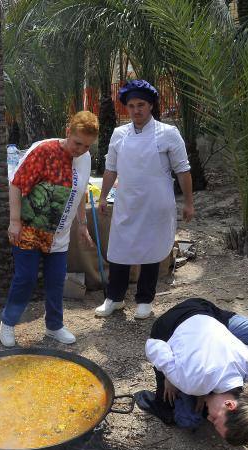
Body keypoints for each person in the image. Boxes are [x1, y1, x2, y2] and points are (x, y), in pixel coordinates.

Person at [95, 79, 194, 320]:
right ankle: (114, 298)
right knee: (120, 249)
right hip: (127, 202)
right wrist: (103, 197)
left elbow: (183, 170)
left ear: (150, 105)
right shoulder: (119, 134)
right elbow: (110, 168)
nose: (136, 110)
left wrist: (189, 203)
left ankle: (145, 299)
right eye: (131, 106)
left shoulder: (168, 134)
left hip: (156, 203)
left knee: (151, 249)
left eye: (141, 105)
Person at [0, 111, 99, 347]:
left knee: (56, 280)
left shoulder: (85, 158)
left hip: (59, 234)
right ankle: (8, 323)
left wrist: (82, 225)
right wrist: (14, 221)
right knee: (26, 278)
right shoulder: (44, 150)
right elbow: (16, 184)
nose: (81, 150)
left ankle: (54, 326)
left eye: (87, 146)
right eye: (77, 143)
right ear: (68, 132)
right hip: (30, 230)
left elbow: (80, 192)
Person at [134, 298, 248, 446]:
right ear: (229, 404)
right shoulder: (192, 383)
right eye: (215, 419)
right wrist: (169, 374)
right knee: (181, 417)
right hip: (173, 322)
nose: (209, 419)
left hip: (207, 315)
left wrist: (201, 390)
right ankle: (159, 404)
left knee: (192, 415)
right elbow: (153, 345)